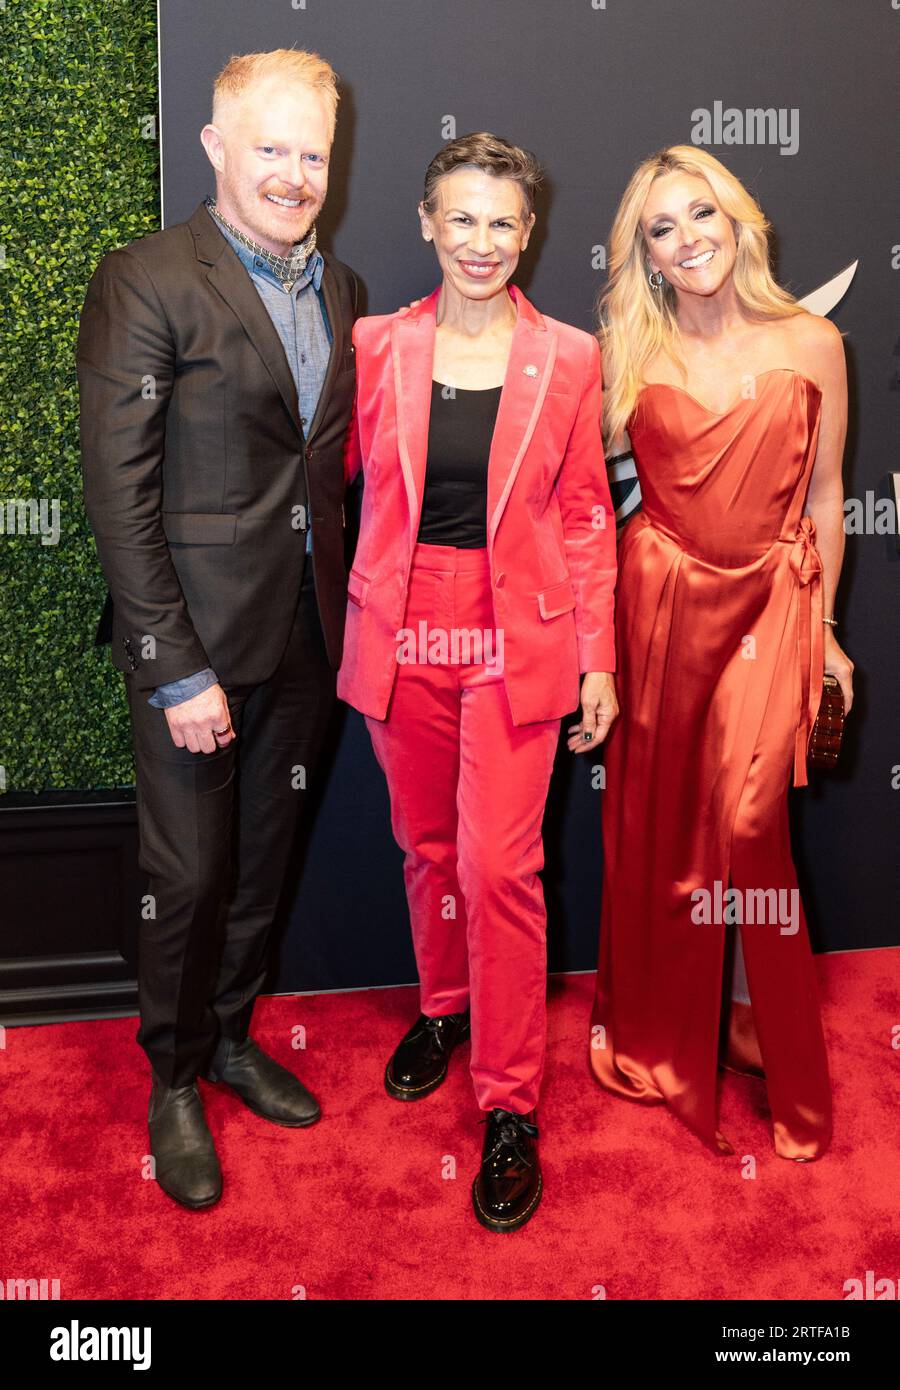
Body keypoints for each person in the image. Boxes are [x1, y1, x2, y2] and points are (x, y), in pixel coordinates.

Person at [77, 49, 360, 1210]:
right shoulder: (146, 277)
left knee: (262, 862)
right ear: (214, 147)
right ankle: (176, 1077)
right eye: (272, 148)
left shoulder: (337, 288)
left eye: (313, 152)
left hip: (305, 631)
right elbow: (117, 492)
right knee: (187, 874)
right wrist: (172, 666)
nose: (294, 173)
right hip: (192, 644)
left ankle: (235, 1037)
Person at [339, 133, 618, 1231]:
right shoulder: (375, 345)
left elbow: (590, 515)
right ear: (425, 222)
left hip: (519, 636)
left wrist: (597, 655)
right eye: (462, 218)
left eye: (504, 223)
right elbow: (348, 487)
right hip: (405, 628)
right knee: (429, 848)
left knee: (503, 866)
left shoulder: (571, 355)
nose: (483, 243)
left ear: (529, 234)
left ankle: (509, 1104)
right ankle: (445, 1007)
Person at [588, 145, 853, 1161]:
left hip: (774, 602)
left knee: (749, 823)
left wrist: (824, 631)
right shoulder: (626, 347)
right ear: (644, 253)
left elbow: (825, 496)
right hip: (659, 605)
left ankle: (781, 1055)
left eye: (704, 214)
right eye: (663, 227)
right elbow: (577, 498)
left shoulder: (813, 340)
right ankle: (672, 1031)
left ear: (739, 221)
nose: (689, 238)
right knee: (662, 833)